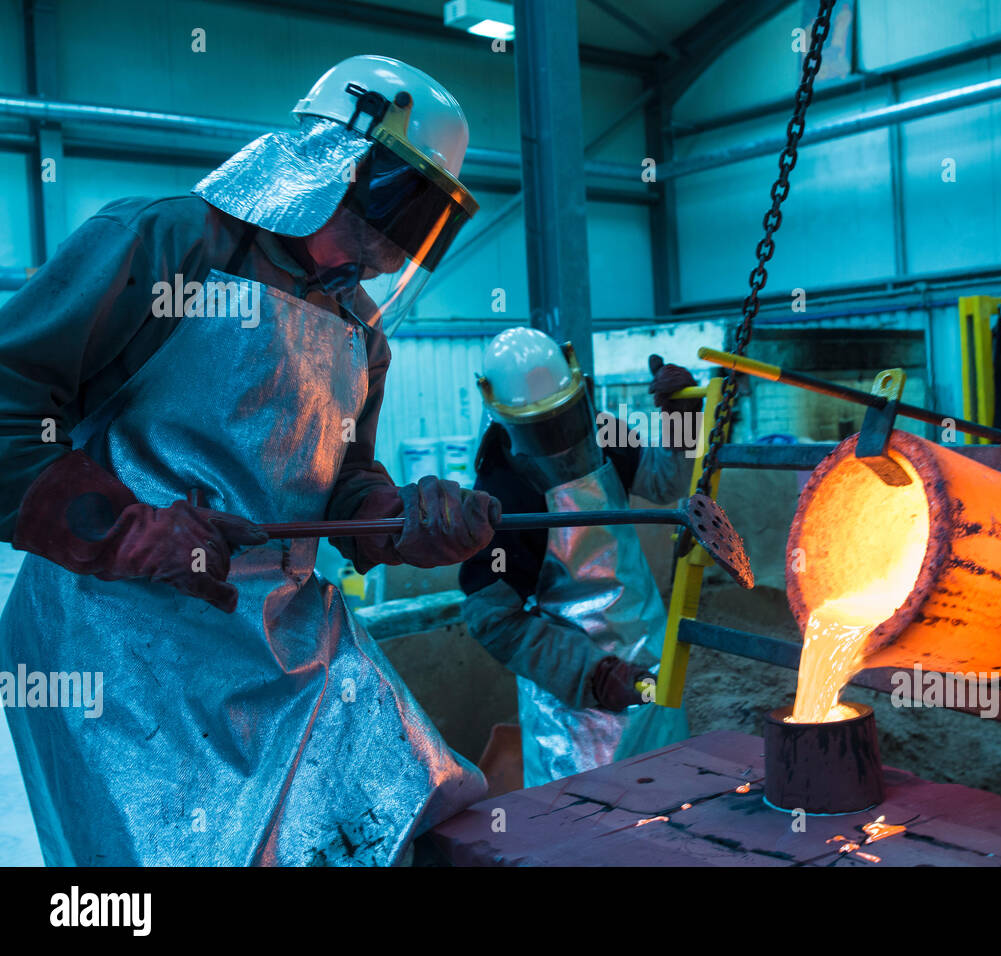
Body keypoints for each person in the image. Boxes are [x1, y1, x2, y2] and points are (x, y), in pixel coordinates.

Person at [0, 55, 501, 866]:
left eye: (423, 227)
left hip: (278, 637)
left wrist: (409, 521)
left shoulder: (361, 335)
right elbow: (7, 402)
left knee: (402, 804)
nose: (390, 249)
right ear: (336, 159)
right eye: (401, 208)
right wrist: (130, 529)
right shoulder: (169, 243)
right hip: (118, 653)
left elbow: (343, 491)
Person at [459, 327, 701, 786]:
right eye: (541, 424)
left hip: (649, 660)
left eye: (565, 415)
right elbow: (491, 620)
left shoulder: (603, 431)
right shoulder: (503, 493)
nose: (563, 440)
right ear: (503, 416)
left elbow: (665, 484)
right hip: (579, 711)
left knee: (674, 798)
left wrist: (682, 419)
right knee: (589, 833)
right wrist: (594, 674)